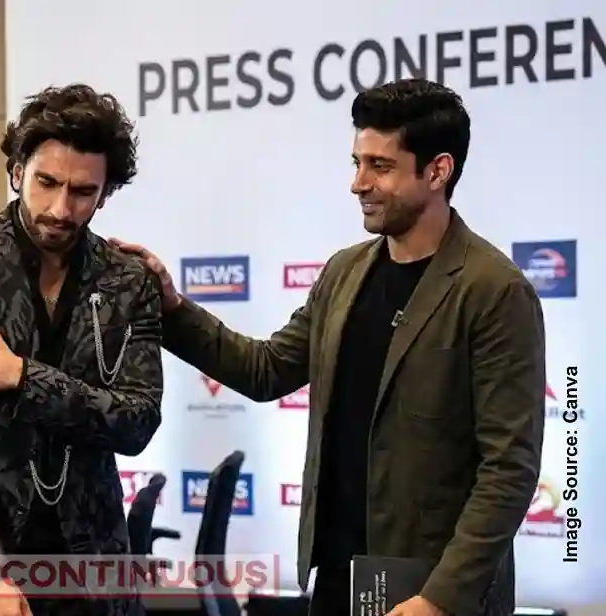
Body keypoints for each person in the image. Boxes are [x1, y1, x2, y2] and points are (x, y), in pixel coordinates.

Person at [112, 79, 544, 616]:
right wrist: (172, 309)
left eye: (380, 166)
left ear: (437, 171)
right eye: (357, 162)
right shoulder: (344, 273)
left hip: (433, 593)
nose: (358, 183)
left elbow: (508, 468)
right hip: (338, 578)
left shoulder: (495, 291)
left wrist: (440, 597)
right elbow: (265, 369)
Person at [0, 84, 163, 616]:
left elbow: (136, 422)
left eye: (83, 192)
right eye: (47, 183)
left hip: (88, 562)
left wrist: (20, 376)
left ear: (106, 194)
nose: (61, 209)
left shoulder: (128, 280)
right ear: (17, 171)